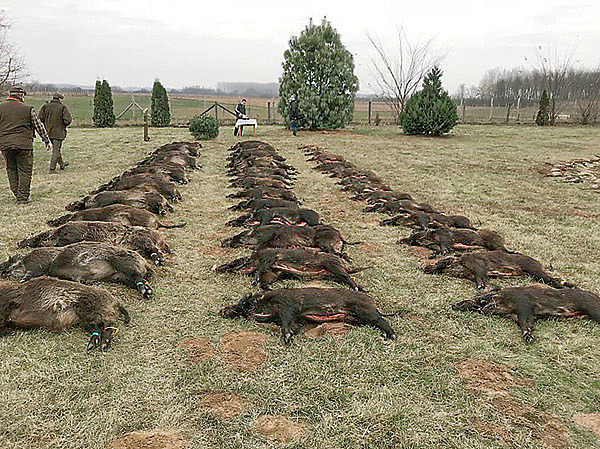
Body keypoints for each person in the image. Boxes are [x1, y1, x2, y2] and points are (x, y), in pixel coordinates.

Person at [0, 86, 52, 205]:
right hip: (24, 145)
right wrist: (46, 140)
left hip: (6, 145)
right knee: (25, 171)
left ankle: (17, 193)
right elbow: (38, 126)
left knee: (11, 169)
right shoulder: (28, 109)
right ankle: (23, 198)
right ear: (21, 95)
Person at [38, 92, 72, 173]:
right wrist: (63, 125)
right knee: (56, 150)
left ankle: (61, 164)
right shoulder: (62, 107)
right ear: (60, 99)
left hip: (48, 131)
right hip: (58, 132)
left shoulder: (45, 106)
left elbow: (40, 118)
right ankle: (52, 169)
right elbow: (68, 120)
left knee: (56, 149)